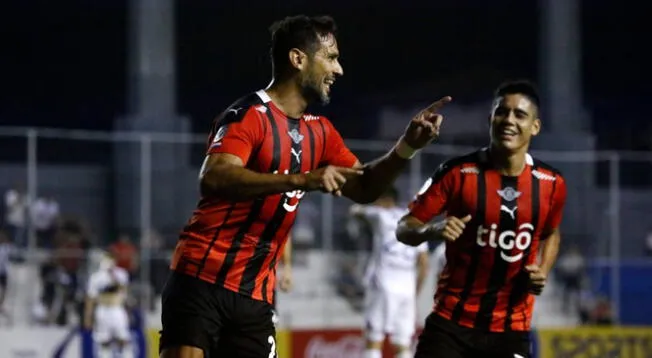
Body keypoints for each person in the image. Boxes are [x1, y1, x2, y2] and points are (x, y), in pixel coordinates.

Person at [159, 14, 452, 358]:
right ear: (298, 59)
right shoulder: (247, 115)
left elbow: (365, 187)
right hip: (202, 278)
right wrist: (299, 180)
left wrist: (407, 146)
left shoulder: (320, 132)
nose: (339, 70)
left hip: (256, 296)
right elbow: (214, 177)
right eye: (330, 58)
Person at [396, 80, 567, 358]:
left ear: (535, 126)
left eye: (519, 114)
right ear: (490, 119)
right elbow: (404, 228)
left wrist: (543, 269)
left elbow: (551, 232)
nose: (508, 120)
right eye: (502, 112)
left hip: (511, 331)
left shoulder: (551, 183)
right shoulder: (456, 172)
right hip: (451, 325)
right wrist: (433, 230)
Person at [350, 187, 429, 358]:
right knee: (403, 343)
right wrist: (416, 291)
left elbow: (355, 210)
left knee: (374, 338)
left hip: (383, 283)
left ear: (385, 200)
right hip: (407, 288)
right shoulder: (415, 222)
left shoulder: (380, 215)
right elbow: (423, 263)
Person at [84, 252, 132, 358]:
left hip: (117, 309)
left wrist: (112, 274)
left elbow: (123, 291)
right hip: (102, 310)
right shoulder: (95, 277)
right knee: (103, 341)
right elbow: (91, 298)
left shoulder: (121, 274)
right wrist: (88, 317)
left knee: (123, 338)